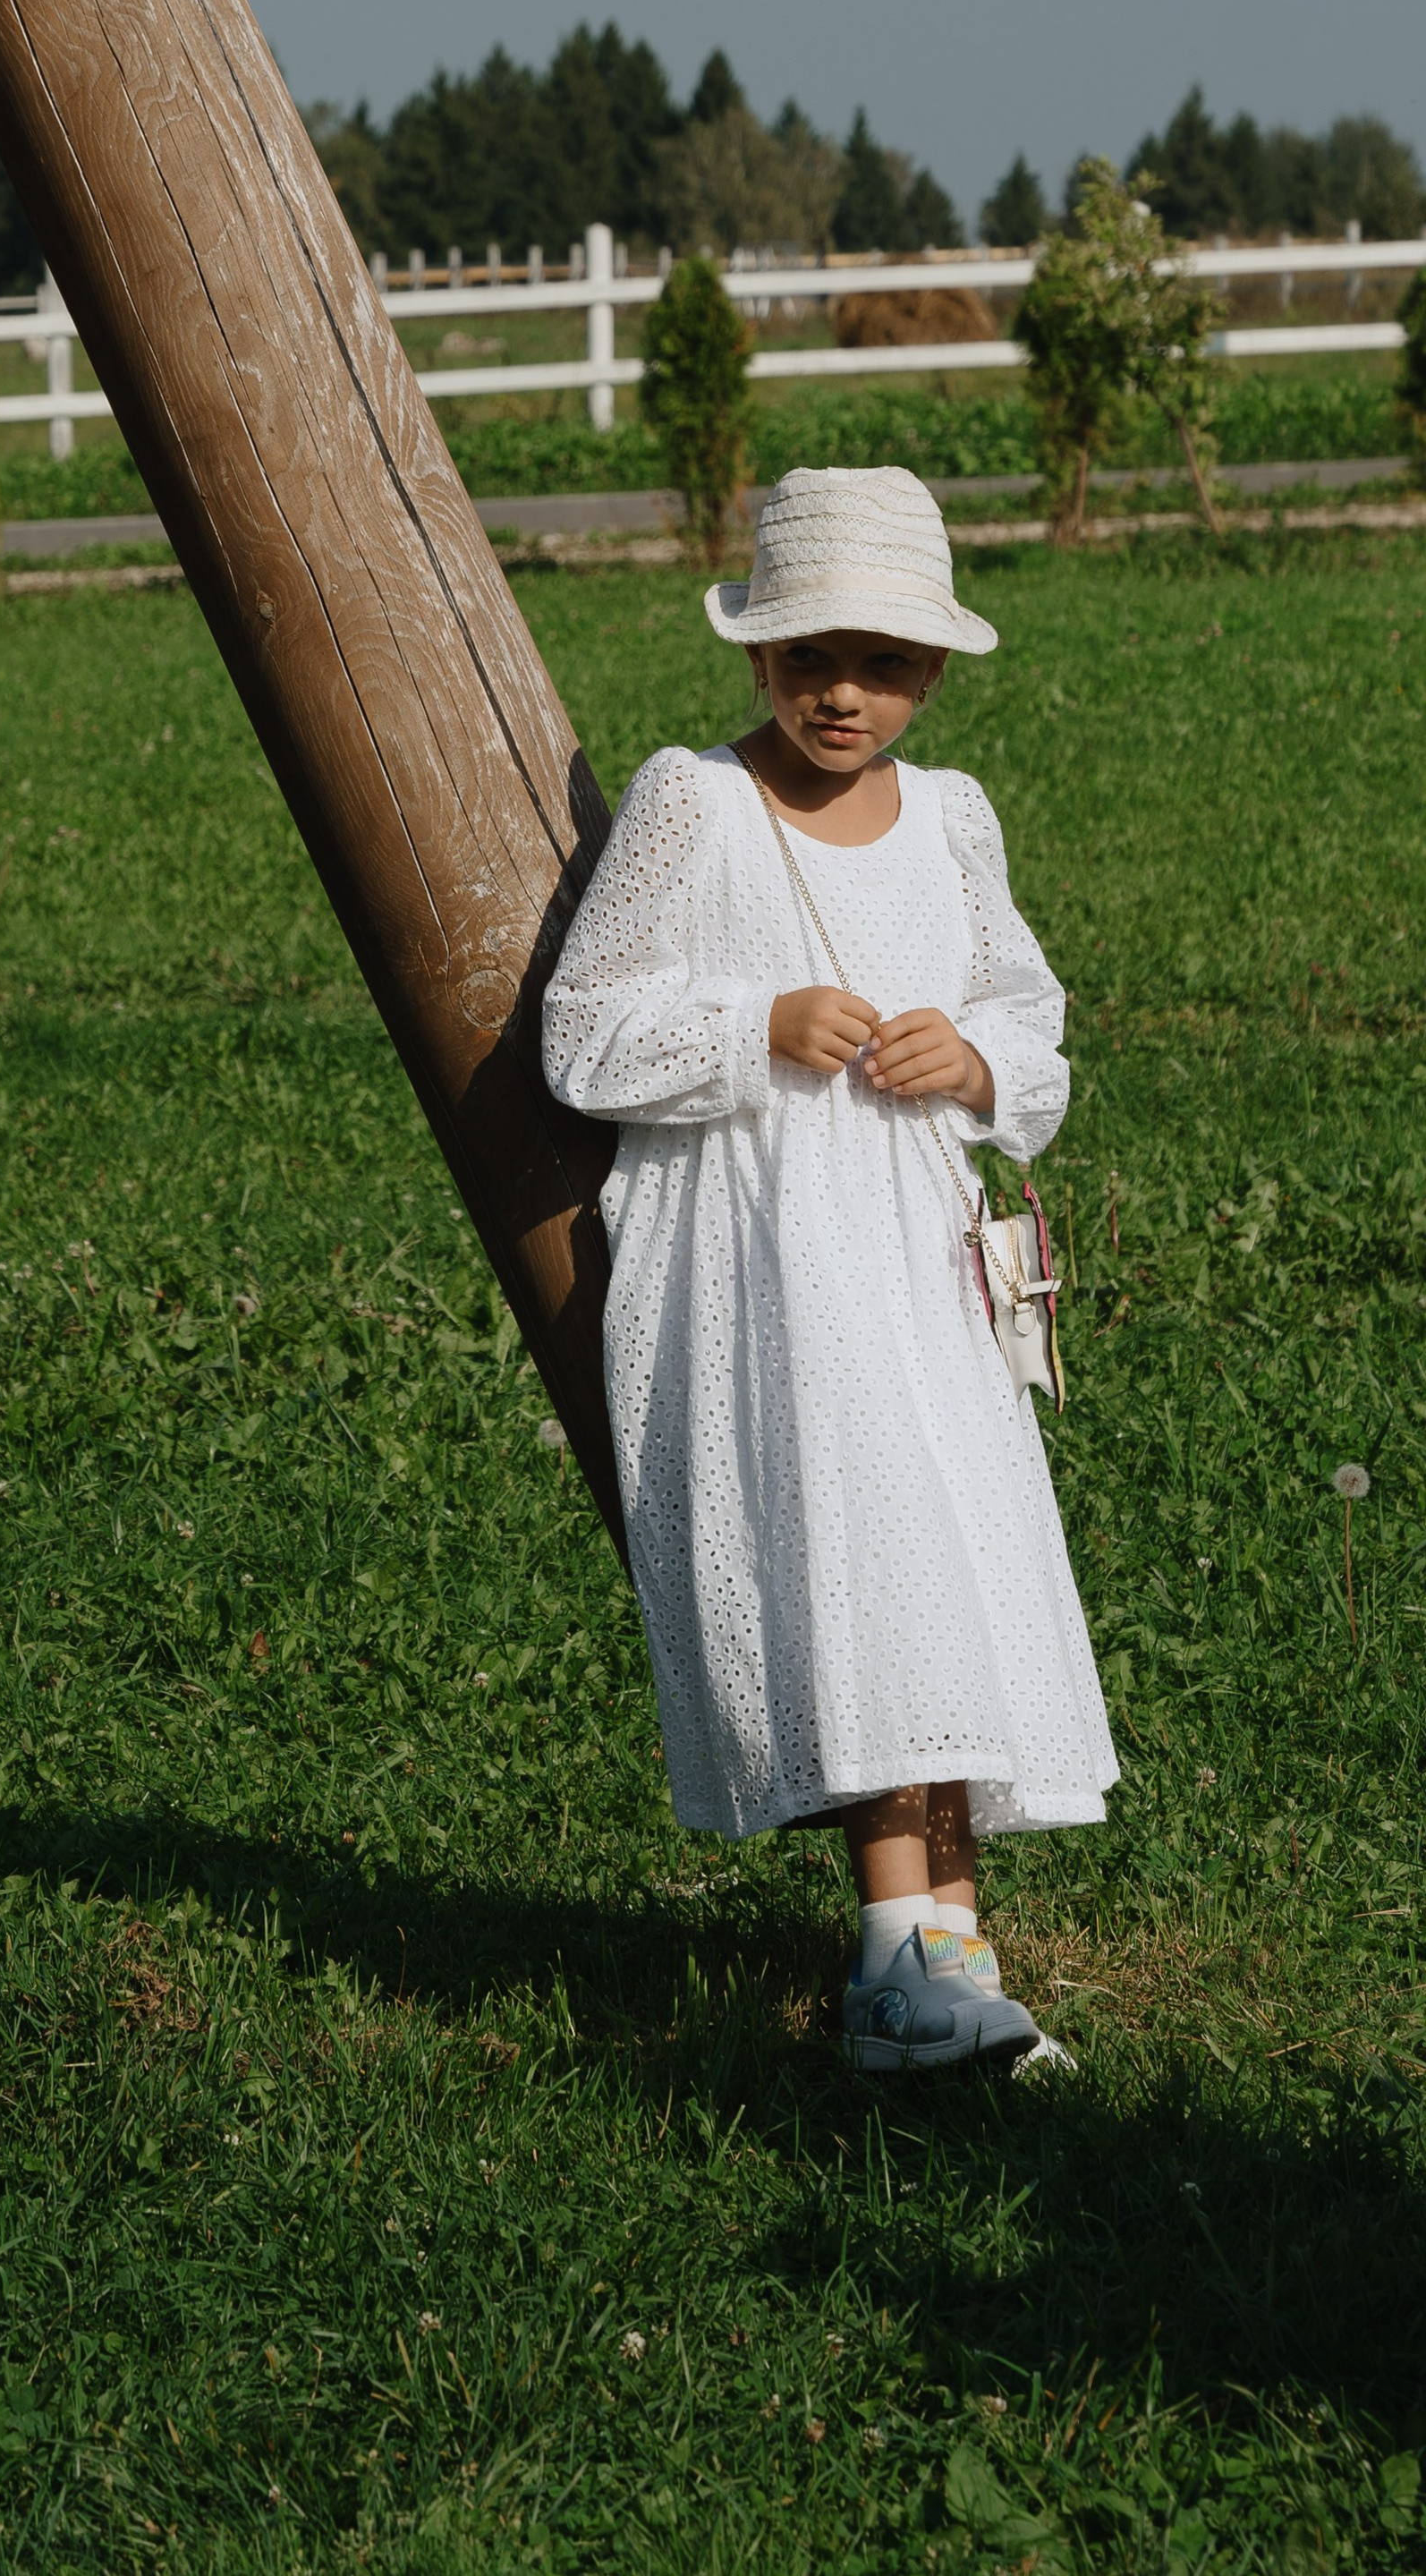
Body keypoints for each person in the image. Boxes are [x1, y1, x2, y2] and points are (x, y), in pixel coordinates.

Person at [542, 463, 1116, 2071]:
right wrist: (756, 1024)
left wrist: (977, 1063)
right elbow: (585, 1032)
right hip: (766, 1254)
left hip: (918, 1250)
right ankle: (892, 1963)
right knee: (862, 1576)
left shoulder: (952, 818)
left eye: (881, 663)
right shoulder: (695, 803)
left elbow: (1026, 1011)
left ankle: (955, 1957)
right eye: (808, 658)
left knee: (948, 1573)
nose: (842, 694)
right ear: (757, 654)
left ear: (934, 669)